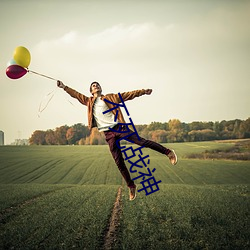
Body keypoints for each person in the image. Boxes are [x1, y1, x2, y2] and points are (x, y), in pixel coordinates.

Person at [57, 81, 177, 201]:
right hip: (108, 134)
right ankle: (131, 186)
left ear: (100, 88)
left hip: (120, 127)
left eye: (97, 84)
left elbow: (128, 95)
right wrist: (64, 87)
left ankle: (168, 152)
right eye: (94, 86)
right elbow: (75, 94)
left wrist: (143, 92)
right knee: (118, 161)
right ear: (91, 91)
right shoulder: (88, 101)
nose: (96, 86)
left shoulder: (111, 97)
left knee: (142, 142)